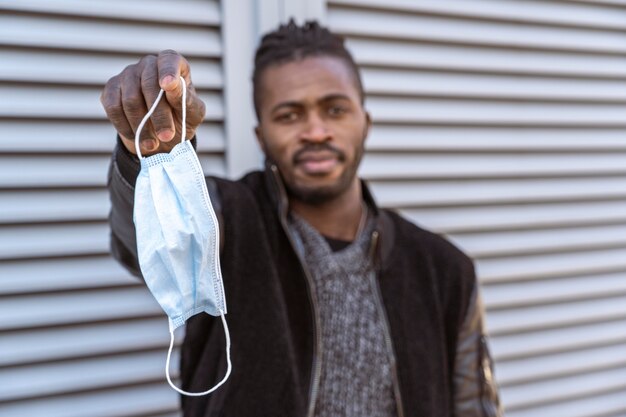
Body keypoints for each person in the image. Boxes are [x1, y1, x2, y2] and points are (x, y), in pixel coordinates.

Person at [102, 20, 502, 417]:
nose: (315, 131)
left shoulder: (444, 270)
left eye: (335, 109)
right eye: (290, 115)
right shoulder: (228, 224)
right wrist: (154, 158)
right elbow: (154, 238)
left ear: (365, 122)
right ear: (261, 137)